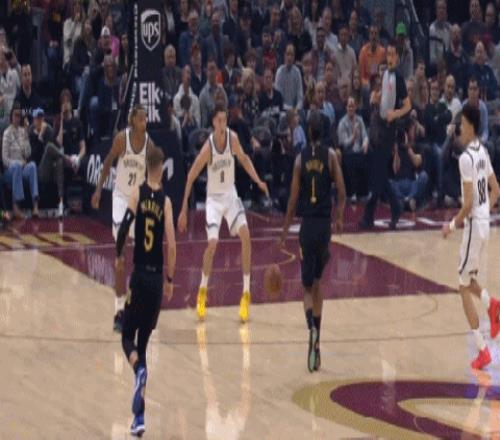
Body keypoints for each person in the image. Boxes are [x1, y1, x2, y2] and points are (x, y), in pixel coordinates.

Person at [177, 104, 269, 323]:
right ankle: (202, 291)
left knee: (246, 236)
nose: (222, 124)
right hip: (214, 200)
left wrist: (258, 180)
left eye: (225, 120)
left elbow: (244, 159)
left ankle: (245, 294)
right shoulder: (208, 147)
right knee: (212, 243)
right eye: (219, 120)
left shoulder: (232, 138)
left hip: (230, 195)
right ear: (213, 123)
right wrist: (183, 209)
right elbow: (190, 176)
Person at [115, 146, 176, 436]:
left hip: (139, 277)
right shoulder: (166, 202)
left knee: (126, 337)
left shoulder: (137, 194)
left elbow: (124, 227)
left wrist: (118, 253)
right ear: (160, 167)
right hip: (156, 281)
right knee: (143, 344)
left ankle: (138, 373)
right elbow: (172, 246)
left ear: (145, 166)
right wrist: (170, 279)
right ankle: (138, 420)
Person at [279, 111, 346, 372]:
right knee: (318, 284)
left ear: (308, 132)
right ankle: (317, 342)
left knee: (306, 289)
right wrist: (339, 217)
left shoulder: (300, 159)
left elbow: (292, 201)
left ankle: (311, 327)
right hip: (324, 227)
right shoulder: (331, 157)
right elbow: (342, 191)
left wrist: (284, 231)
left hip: (307, 227)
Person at [442, 103, 500, 370]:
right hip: (484, 225)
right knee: (469, 278)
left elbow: (466, 204)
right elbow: (496, 190)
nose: (460, 129)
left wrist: (451, 225)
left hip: (474, 225)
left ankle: (482, 350)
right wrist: (485, 212)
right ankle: (493, 306)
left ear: (472, 126)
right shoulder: (483, 151)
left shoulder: (466, 158)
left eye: (463, 125)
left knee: (462, 286)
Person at [91, 104, 154, 332]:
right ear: (132, 120)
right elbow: (108, 162)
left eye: (146, 118)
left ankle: (137, 306)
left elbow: (154, 176)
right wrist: (99, 190)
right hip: (120, 200)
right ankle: (118, 311)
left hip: (137, 201)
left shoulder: (149, 145)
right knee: (120, 258)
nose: (144, 122)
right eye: (141, 118)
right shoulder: (121, 139)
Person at [360, 40, 411, 230]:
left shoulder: (399, 78)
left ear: (397, 57)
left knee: (378, 174)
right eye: (387, 54)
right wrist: (376, 99)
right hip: (378, 128)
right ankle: (396, 208)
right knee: (379, 175)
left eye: (392, 54)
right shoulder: (385, 75)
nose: (389, 57)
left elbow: (407, 106)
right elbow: (385, 98)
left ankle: (369, 216)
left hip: (388, 130)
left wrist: (395, 114)